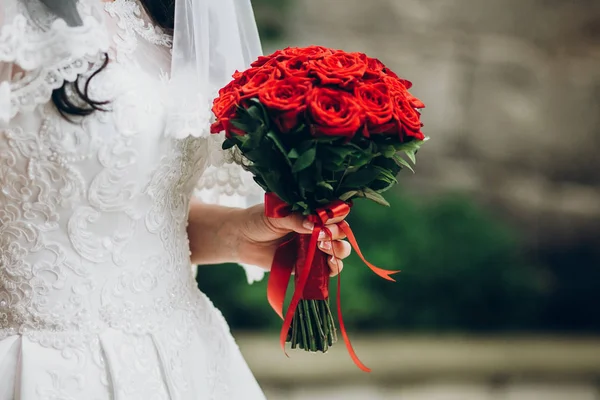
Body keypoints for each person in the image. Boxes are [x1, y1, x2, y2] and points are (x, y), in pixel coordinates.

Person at [0, 0, 351, 398]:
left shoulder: (174, 11)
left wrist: (239, 235)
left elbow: (145, 214)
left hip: (185, 359)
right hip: (43, 368)